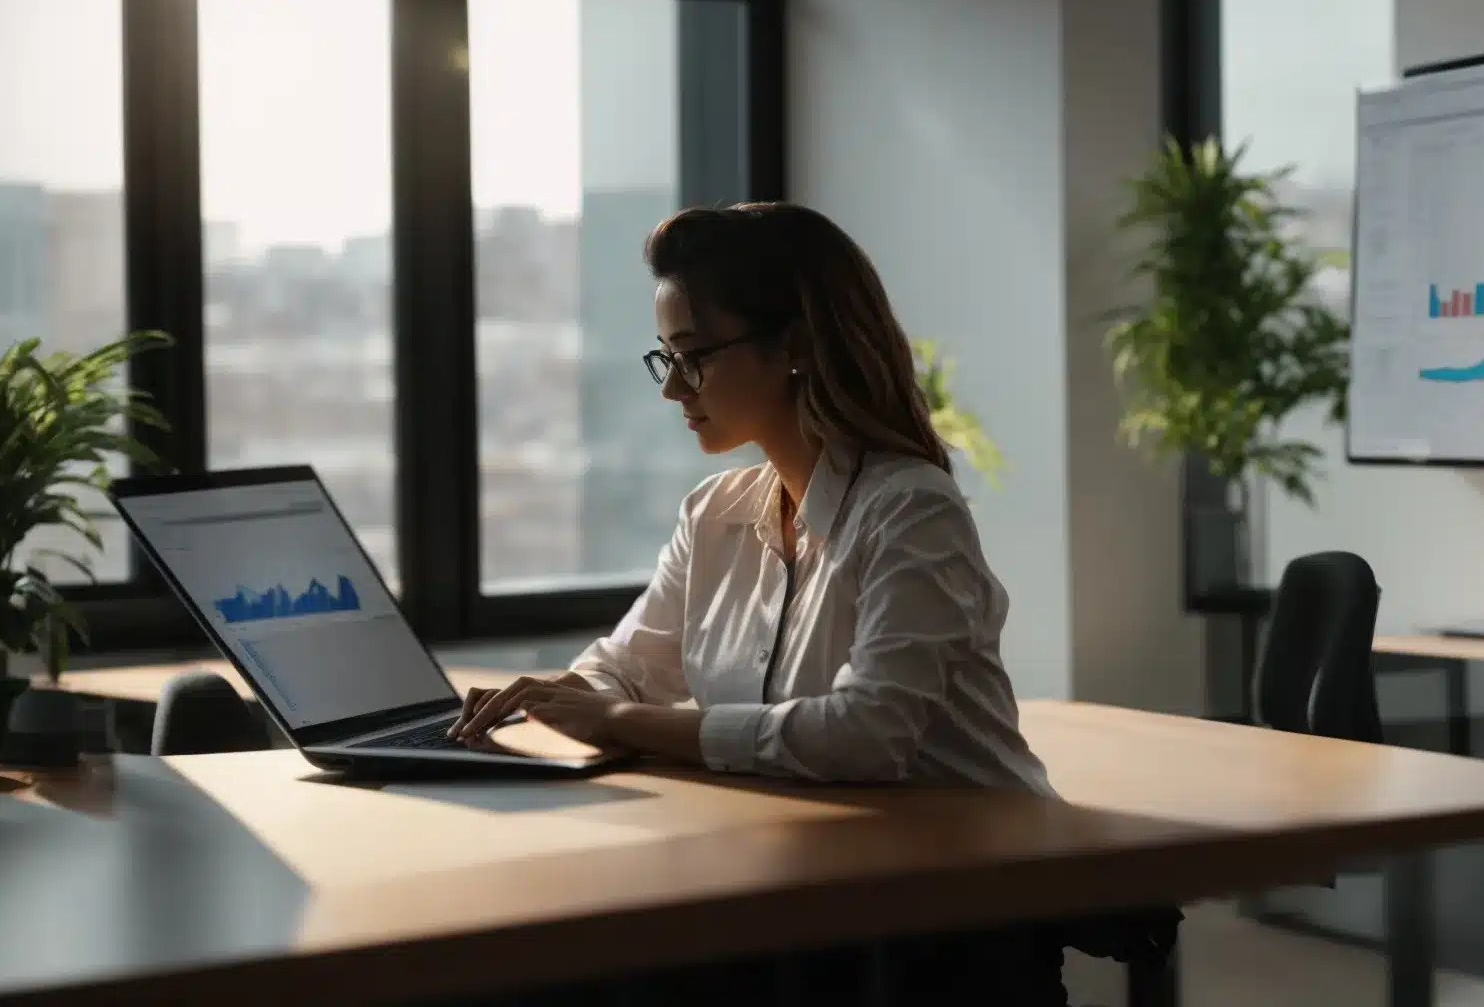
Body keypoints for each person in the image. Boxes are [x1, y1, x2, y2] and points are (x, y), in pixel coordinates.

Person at [447, 202, 1067, 1004]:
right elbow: (624, 668)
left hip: (954, 911)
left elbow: (867, 735)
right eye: (664, 358)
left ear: (798, 347)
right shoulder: (715, 513)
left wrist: (620, 723)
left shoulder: (911, 510)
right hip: (810, 880)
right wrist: (583, 700)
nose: (672, 388)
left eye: (695, 357)